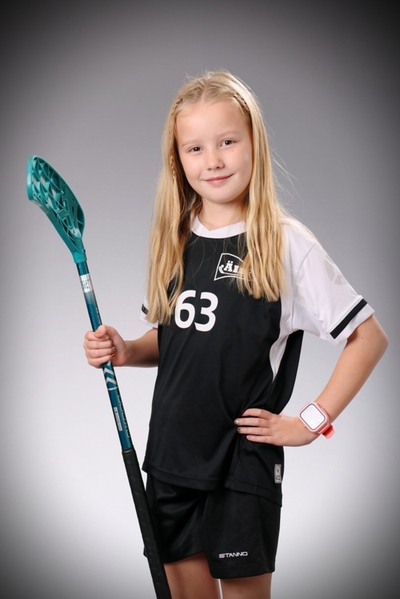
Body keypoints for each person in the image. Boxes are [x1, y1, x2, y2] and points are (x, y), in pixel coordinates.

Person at [83, 71, 388, 599]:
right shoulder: (175, 239)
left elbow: (369, 337)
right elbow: (175, 340)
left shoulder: (284, 243)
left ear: (254, 144)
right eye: (195, 148)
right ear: (178, 160)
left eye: (227, 142)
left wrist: (311, 422)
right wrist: (127, 350)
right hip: (172, 457)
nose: (214, 160)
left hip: (240, 463)